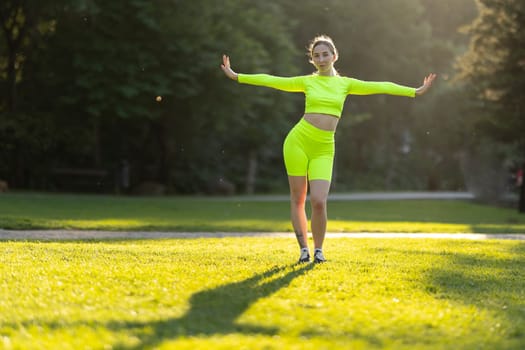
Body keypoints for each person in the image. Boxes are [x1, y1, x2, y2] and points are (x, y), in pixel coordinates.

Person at [221, 35, 436, 263]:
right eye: (316, 56)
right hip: (298, 142)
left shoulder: (346, 84)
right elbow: (272, 80)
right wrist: (237, 76)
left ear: (334, 56)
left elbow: (381, 86)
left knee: (319, 201)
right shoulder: (307, 82)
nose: (321, 59)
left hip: (324, 147)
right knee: (298, 198)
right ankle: (304, 249)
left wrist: (415, 91)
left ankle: (319, 250)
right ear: (312, 60)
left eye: (325, 54)